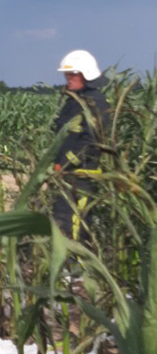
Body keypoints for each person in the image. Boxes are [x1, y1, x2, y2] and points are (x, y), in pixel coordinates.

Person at [51, 50, 111, 241]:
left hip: (81, 175)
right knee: (62, 219)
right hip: (67, 175)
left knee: (73, 224)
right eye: (67, 74)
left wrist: (65, 164)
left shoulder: (96, 103)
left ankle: (75, 267)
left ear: (87, 75)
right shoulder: (75, 101)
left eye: (73, 74)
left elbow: (91, 141)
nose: (68, 78)